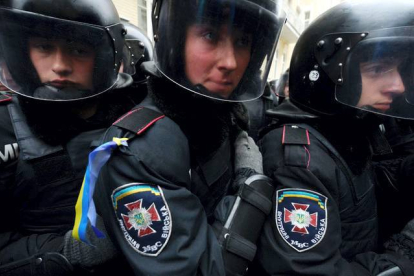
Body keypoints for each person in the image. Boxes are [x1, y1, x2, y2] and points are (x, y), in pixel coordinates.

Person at [79, 0, 285, 275]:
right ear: (174, 35)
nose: (230, 62)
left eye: (243, 41)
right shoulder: (141, 148)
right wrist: (249, 192)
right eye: (210, 35)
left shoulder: (220, 115)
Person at [254, 1, 414, 275]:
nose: (397, 85)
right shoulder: (298, 158)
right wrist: (406, 250)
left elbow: (358, 190)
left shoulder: (345, 133)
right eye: (378, 69)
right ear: (331, 76)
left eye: (400, 70)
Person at [0, 0, 151, 274]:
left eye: (79, 50)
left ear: (103, 57)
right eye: (45, 47)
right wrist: (63, 251)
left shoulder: (136, 114)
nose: (60, 65)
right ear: (22, 50)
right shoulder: (5, 127)